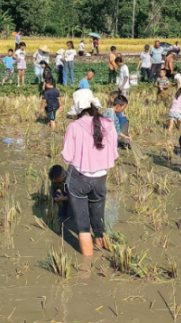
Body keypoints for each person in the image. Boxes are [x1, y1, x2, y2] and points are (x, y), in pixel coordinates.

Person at [62, 89, 118, 256]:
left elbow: (67, 157)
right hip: (101, 179)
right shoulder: (108, 123)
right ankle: (102, 247)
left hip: (79, 179)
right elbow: (114, 152)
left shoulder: (73, 127)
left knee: (83, 226)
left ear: (78, 109)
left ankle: (87, 265)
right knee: (98, 218)